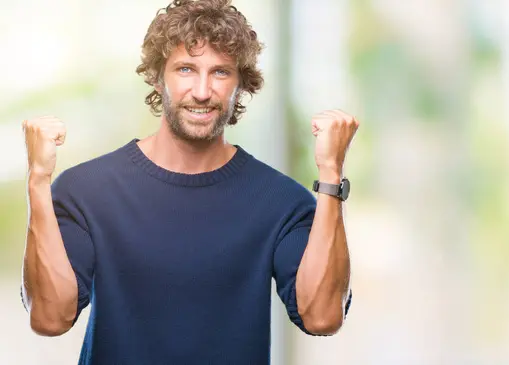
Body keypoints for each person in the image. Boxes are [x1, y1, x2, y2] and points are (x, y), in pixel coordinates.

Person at [20, 0, 357, 363]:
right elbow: (50, 317)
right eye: (185, 69)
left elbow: (322, 317)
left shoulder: (280, 200)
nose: (201, 91)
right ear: (156, 76)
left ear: (240, 84)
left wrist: (330, 174)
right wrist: (38, 181)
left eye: (220, 72)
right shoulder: (86, 190)